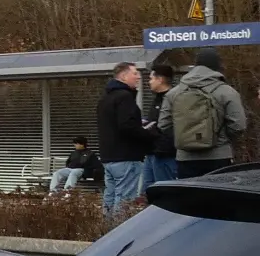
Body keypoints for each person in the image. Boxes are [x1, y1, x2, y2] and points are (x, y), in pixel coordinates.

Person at [157, 48, 247, 179]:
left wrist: (184, 137)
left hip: (185, 158)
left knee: (189, 198)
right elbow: (239, 125)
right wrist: (221, 139)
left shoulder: (174, 93)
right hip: (219, 156)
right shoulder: (227, 92)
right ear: (217, 66)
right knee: (218, 198)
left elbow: (163, 125)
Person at [96, 62, 154, 215]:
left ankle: (105, 230)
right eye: (135, 73)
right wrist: (149, 133)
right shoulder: (125, 97)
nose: (138, 77)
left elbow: (113, 125)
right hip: (126, 157)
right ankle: (119, 231)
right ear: (123, 76)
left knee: (110, 195)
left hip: (109, 157)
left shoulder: (105, 99)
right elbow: (127, 126)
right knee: (124, 199)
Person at [141, 64, 179, 189]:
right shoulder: (156, 99)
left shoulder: (173, 98)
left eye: (151, 78)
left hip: (165, 153)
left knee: (164, 190)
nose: (149, 82)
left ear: (160, 79)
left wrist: (150, 127)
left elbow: (167, 126)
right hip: (151, 152)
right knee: (148, 189)